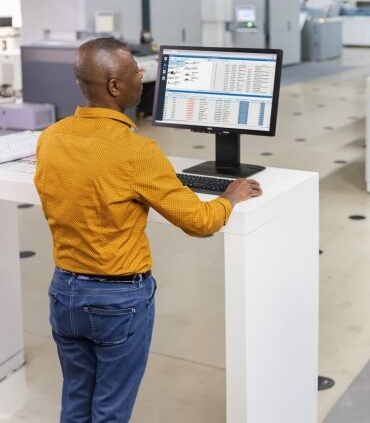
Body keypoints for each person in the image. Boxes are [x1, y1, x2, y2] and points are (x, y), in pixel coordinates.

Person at [34, 37, 262, 423]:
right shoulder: (137, 153)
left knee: (76, 398)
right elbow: (200, 222)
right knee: (110, 409)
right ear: (114, 87)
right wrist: (230, 197)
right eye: (135, 71)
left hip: (64, 294)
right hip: (117, 301)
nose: (143, 76)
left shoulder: (51, 137)